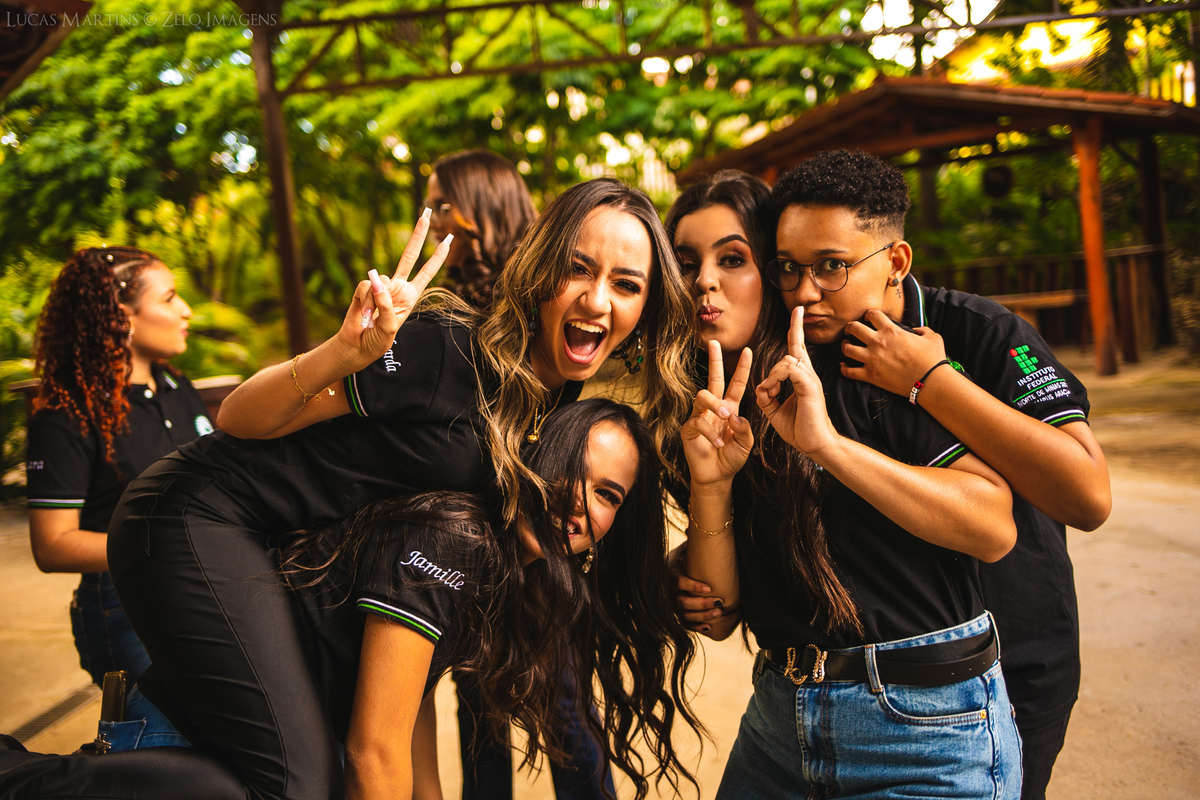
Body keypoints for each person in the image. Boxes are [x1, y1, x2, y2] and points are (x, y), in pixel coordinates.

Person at [0, 178, 697, 800]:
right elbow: (240, 417)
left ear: (645, 307)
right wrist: (344, 352)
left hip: (272, 547)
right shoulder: (450, 350)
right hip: (194, 517)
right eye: (578, 268)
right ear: (544, 269)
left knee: (299, 773)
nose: (597, 298)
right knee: (300, 782)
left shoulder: (556, 408)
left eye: (626, 284)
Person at [676, 156, 1024, 799]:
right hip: (780, 723)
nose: (704, 282)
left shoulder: (864, 364)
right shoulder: (700, 404)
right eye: (685, 261)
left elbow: (993, 524)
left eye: (733, 259)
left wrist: (827, 446)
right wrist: (710, 487)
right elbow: (720, 615)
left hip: (920, 727)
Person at [827, 149, 1110, 800]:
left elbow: (1088, 496)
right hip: (883, 683)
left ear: (896, 262)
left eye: (833, 266)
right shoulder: (809, 350)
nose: (810, 289)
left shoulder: (985, 332)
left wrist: (931, 381)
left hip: (1016, 656)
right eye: (792, 268)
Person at [424, 150, 608, 800]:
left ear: (483, 205)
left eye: (442, 204)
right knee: (481, 713)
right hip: (472, 543)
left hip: (531, 545)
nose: (432, 218)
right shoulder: (449, 302)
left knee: (561, 710)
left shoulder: (538, 297)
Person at [24, 246, 211, 687]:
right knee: (160, 745)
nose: (186, 311)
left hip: (201, 587)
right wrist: (165, 545)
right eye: (169, 299)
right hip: (126, 604)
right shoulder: (67, 412)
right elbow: (52, 546)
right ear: (121, 316)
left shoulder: (175, 384)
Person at [425, 150, 538, 309]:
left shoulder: (536, 297)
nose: (432, 222)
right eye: (430, 207)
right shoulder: (464, 293)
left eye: (442, 207)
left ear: (487, 208)